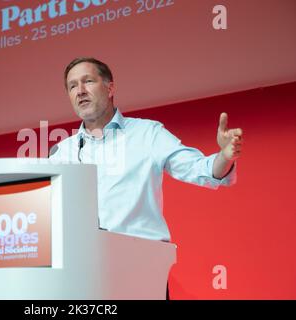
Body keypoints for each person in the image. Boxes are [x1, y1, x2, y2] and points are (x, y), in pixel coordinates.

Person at [49, 57, 243, 243]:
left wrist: (224, 156)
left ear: (110, 88)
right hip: (82, 266)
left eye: (88, 81)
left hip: (142, 261)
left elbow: (201, 170)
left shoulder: (148, 133)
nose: (80, 91)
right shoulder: (61, 152)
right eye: (72, 86)